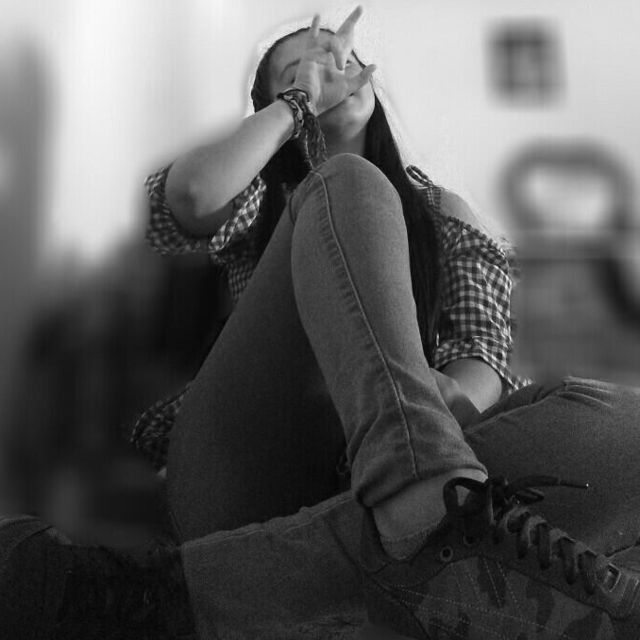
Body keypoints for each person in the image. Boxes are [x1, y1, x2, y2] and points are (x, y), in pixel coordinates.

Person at [3, 6, 640, 639]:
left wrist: (421, 405)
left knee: (623, 425)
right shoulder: (262, 197)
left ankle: (402, 538)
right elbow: (193, 194)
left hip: (416, 463)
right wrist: (299, 103)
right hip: (254, 465)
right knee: (349, 183)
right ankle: (423, 503)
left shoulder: (440, 210)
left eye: (343, 56)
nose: (332, 65)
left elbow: (482, 359)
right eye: (302, 67)